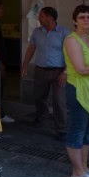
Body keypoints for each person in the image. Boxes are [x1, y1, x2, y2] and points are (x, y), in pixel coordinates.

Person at [21, 7, 69, 139]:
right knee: (39, 97)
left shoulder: (64, 33)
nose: (38, 18)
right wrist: (25, 65)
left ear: (50, 18)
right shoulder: (37, 32)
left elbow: (70, 55)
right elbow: (31, 49)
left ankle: (62, 129)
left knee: (59, 101)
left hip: (58, 72)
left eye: (41, 16)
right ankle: (41, 119)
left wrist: (65, 72)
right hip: (40, 70)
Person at [62, 4, 89, 177]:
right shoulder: (71, 40)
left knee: (88, 132)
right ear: (74, 20)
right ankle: (77, 172)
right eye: (82, 17)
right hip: (78, 89)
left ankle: (85, 168)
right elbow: (80, 69)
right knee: (77, 130)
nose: (86, 20)